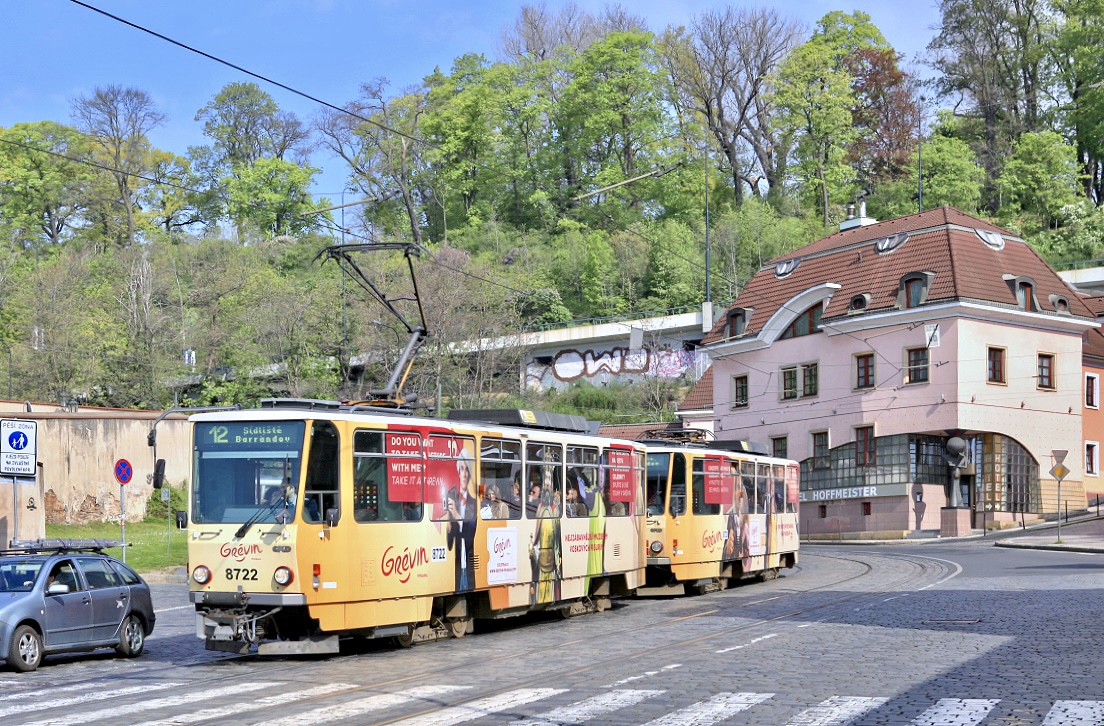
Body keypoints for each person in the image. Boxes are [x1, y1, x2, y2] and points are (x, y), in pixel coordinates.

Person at [446, 449, 478, 592]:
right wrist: (449, 525)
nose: (464, 474)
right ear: (458, 473)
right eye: (462, 469)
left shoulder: (473, 502)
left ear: (469, 474)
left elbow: (470, 535)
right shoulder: (453, 499)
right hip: (457, 564)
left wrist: (456, 515)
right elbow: (450, 544)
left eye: (467, 470)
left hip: (469, 563)